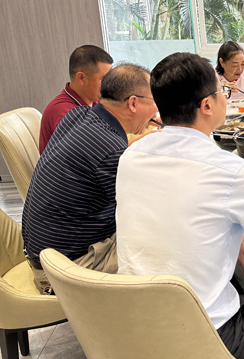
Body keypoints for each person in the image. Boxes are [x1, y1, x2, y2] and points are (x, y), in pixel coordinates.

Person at [116, 53, 244, 359]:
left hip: (131, 328)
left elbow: (179, 208)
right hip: (203, 340)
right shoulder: (230, 170)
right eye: (222, 92)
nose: (225, 97)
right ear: (207, 105)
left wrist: (239, 236)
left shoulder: (130, 157)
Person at [22, 64, 158, 293]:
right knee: (165, 236)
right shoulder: (109, 153)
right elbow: (148, 208)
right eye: (155, 101)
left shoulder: (79, 115)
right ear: (133, 103)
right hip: (66, 269)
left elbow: (98, 158)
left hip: (41, 253)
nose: (156, 112)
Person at [39, 45, 113, 153]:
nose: (109, 85)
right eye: (104, 79)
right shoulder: (64, 112)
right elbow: (95, 151)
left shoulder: (95, 102)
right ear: (81, 78)